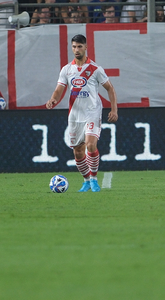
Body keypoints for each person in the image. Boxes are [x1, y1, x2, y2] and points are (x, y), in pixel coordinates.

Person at [46, 34, 118, 193]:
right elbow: (59, 90)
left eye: (79, 46)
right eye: (74, 46)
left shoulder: (95, 69)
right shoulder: (67, 69)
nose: (76, 49)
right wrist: (53, 99)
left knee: (91, 145)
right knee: (78, 152)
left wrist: (114, 109)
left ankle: (94, 180)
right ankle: (86, 181)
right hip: (75, 115)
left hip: (92, 112)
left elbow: (110, 88)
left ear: (86, 47)